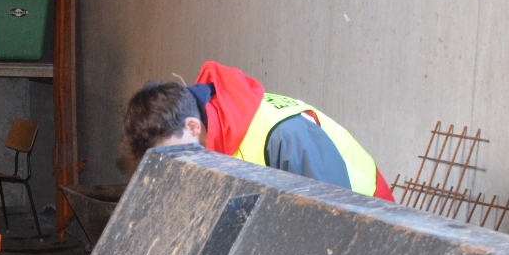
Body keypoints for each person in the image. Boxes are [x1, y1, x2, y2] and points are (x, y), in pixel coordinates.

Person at [122, 61, 393, 199]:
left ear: (192, 126)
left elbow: (335, 219)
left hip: (368, 227)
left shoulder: (284, 135)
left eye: (173, 155)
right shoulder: (213, 133)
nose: (175, 166)